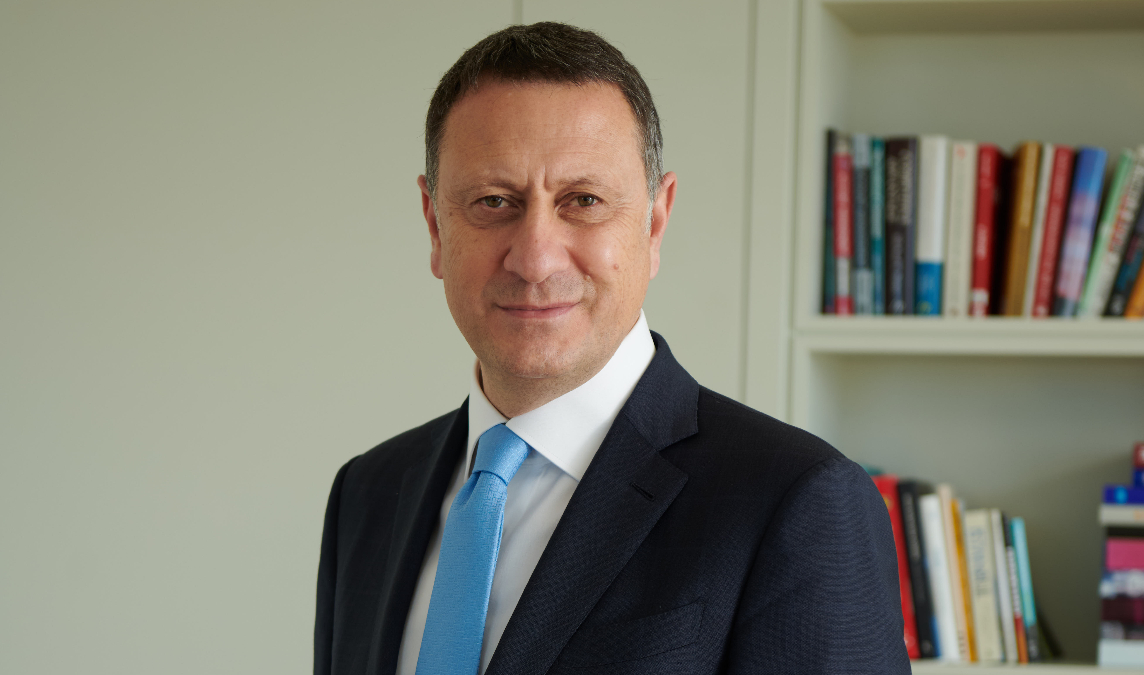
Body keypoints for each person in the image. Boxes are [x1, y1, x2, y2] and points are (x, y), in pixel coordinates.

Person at [314, 21, 909, 675]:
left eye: (584, 200)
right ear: (435, 226)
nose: (535, 259)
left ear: (655, 223)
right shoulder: (367, 494)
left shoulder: (795, 502)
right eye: (494, 201)